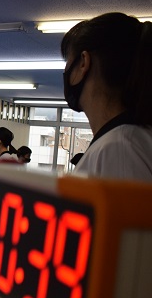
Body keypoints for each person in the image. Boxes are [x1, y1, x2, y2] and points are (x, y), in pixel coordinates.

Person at [61, 12, 152, 180]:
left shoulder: (119, 148)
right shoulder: (127, 140)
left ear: (83, 62)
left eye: (67, 61)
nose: (66, 70)